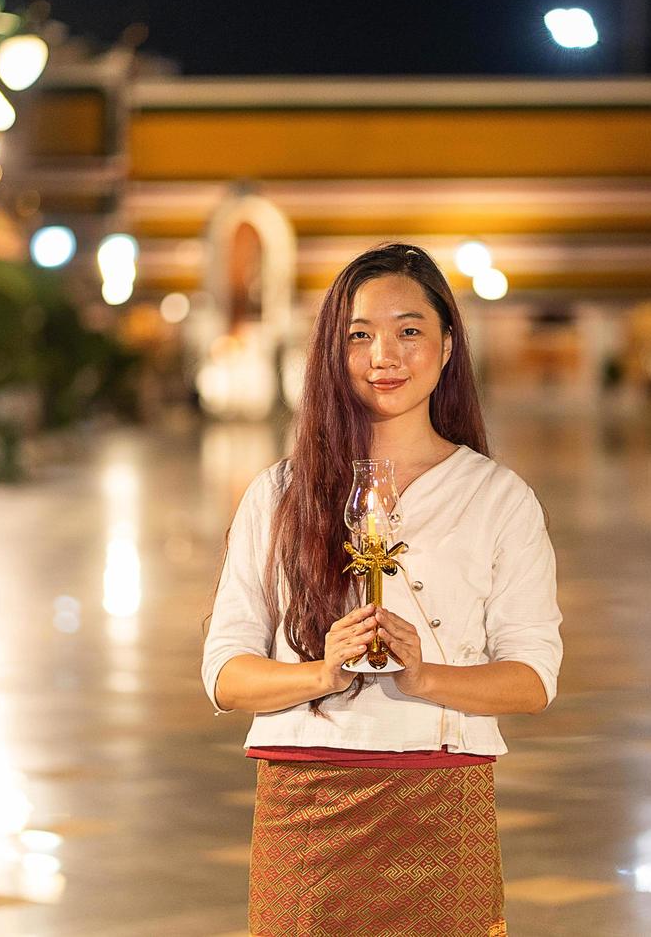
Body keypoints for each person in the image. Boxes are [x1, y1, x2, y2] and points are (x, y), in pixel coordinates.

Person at [201, 242, 563, 937]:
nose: (383, 356)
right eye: (359, 335)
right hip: (305, 806)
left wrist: (426, 676)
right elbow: (225, 674)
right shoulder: (280, 494)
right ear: (331, 353)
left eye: (409, 331)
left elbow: (533, 679)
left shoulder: (498, 498)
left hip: (438, 801)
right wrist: (321, 672)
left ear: (449, 346)